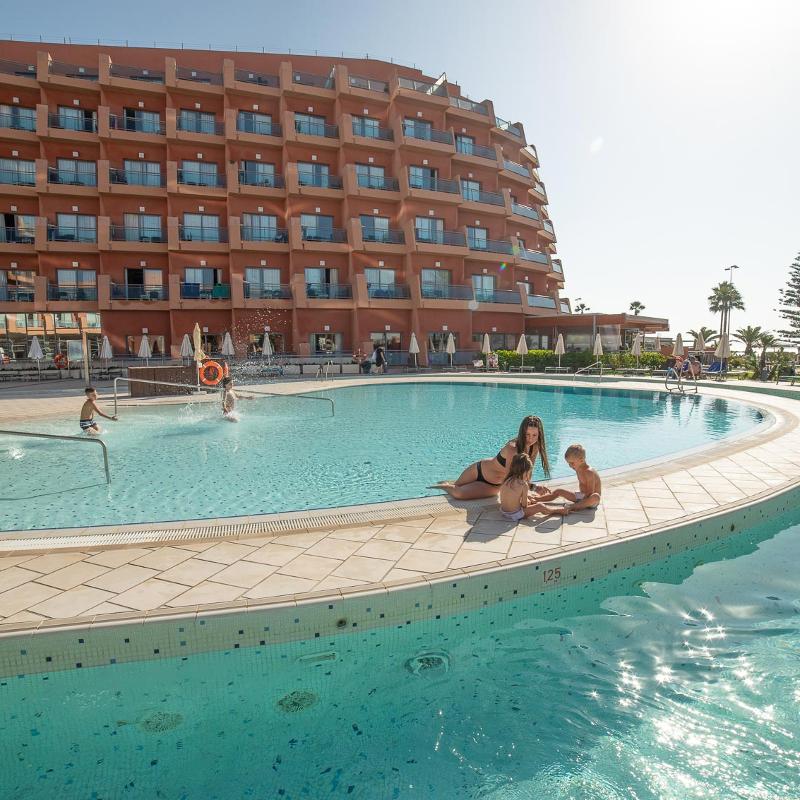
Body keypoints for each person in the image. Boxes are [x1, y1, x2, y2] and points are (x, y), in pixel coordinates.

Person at [433, 415, 551, 500]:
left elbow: (527, 474)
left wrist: (529, 490)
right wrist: (533, 488)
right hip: (479, 471)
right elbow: (511, 478)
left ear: (539, 434)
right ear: (522, 432)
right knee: (455, 488)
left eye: (534, 435)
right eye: (527, 434)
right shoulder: (512, 448)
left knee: (460, 494)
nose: (530, 439)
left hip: (495, 486)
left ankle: (450, 484)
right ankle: (444, 485)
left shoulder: (534, 447)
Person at [531, 444, 601, 516]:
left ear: (581, 460)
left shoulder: (589, 472)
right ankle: (537, 499)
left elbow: (590, 493)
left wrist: (580, 501)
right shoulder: (578, 469)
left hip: (590, 501)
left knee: (596, 496)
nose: (570, 466)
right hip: (581, 497)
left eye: (572, 463)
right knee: (559, 491)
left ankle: (571, 507)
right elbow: (582, 488)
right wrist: (578, 497)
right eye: (568, 463)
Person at [499, 453, 542, 521]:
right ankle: (556, 511)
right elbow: (524, 506)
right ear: (525, 472)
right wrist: (528, 502)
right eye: (529, 472)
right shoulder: (523, 485)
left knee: (530, 501)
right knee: (540, 506)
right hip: (514, 514)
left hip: (503, 511)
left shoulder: (507, 480)